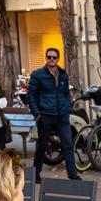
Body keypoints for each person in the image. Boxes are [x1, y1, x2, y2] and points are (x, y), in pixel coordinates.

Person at [26, 47, 78, 181]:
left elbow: (66, 93)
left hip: (62, 116)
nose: (51, 59)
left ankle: (72, 175)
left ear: (58, 59)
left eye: (54, 57)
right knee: (42, 146)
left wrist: (68, 107)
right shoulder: (37, 75)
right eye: (49, 57)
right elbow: (31, 96)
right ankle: (36, 174)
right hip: (45, 116)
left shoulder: (63, 75)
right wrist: (37, 114)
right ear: (46, 58)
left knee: (68, 144)